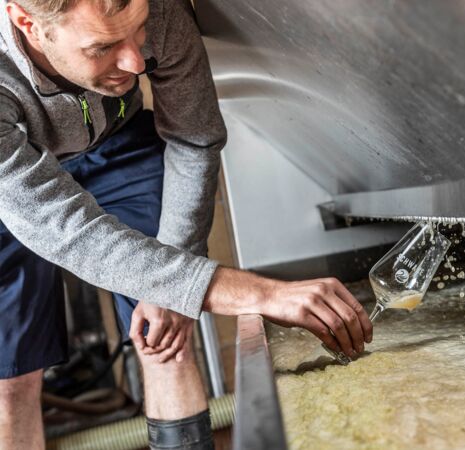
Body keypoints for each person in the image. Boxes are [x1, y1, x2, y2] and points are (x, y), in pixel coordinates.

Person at [0, 0, 373, 448]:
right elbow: (64, 229)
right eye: (103, 47)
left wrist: (173, 288)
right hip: (15, 187)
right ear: (27, 23)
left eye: (137, 32)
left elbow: (193, 140)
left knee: (165, 336)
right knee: (11, 377)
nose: (135, 61)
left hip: (114, 146)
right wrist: (262, 291)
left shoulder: (159, 12)